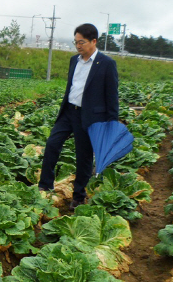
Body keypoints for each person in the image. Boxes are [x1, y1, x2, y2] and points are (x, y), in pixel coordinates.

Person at [38, 23, 119, 209]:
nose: (78, 46)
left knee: (83, 157)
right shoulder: (74, 60)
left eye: (81, 42)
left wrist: (111, 125)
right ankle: (44, 185)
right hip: (69, 112)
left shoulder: (106, 64)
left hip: (89, 117)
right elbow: (71, 87)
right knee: (52, 144)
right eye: (76, 42)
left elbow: (112, 97)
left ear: (93, 41)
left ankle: (79, 196)